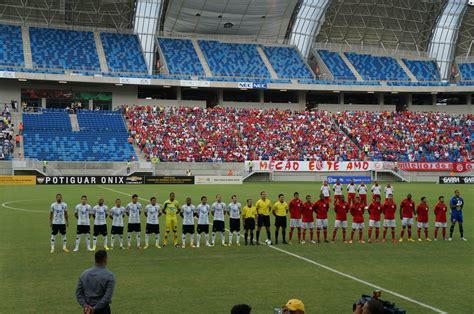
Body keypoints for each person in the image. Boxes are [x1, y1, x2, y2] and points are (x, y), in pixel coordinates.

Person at [76, 250, 115, 314]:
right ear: (105, 259)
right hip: (103, 310)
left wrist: (85, 305)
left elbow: (78, 293)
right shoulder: (109, 276)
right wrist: (94, 308)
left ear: (95, 259)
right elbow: (107, 297)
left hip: (87, 310)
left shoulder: (84, 274)